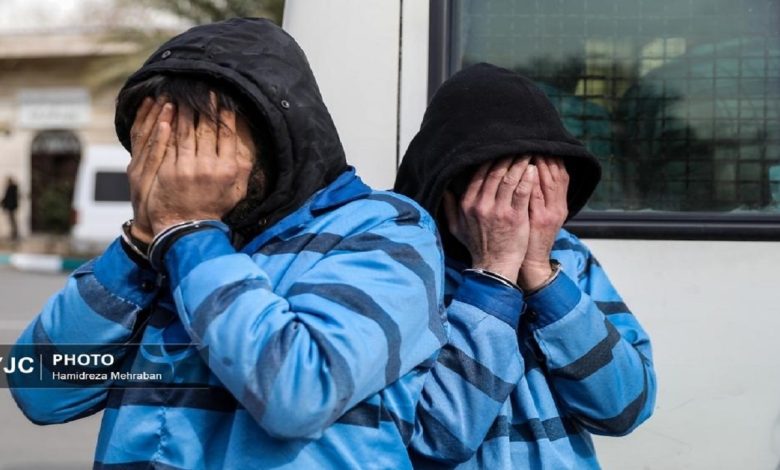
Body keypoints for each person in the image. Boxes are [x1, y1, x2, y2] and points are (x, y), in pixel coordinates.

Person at [10, 18, 446, 469]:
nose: (173, 167)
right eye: (154, 146)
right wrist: (140, 244)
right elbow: (41, 389)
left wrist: (191, 232)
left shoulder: (384, 231)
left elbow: (298, 394)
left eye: (196, 141)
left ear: (276, 136)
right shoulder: (164, 247)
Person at [395, 63, 656, 469]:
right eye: (502, 183)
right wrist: (494, 275)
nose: (520, 202)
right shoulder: (398, 261)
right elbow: (436, 437)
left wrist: (541, 275)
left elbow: (624, 409)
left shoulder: (567, 255)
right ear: (451, 185)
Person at [2, 176, 19, 241]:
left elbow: (8, 198)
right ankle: (14, 234)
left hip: (11, 207)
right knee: (12, 221)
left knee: (13, 221)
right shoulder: (13, 189)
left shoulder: (11, 189)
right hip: (11, 207)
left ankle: (14, 234)